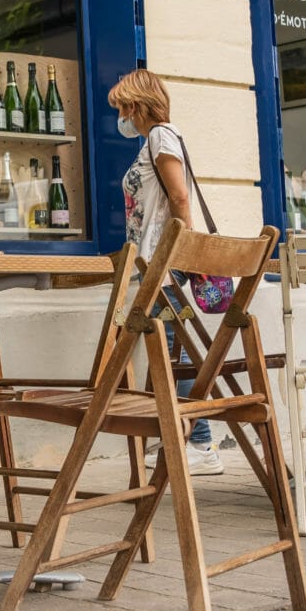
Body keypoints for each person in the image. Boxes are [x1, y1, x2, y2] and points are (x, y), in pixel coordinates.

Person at [107, 68, 223, 475]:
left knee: (175, 352)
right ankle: (183, 433)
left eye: (121, 107)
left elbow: (179, 196)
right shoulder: (156, 140)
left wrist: (182, 251)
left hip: (162, 263)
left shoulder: (160, 135)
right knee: (168, 350)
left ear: (136, 105)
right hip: (153, 263)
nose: (120, 116)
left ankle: (202, 443)